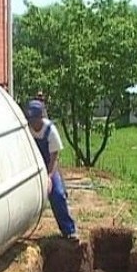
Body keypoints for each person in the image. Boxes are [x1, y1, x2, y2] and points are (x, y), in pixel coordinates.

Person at [25, 100, 78, 240]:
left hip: (49, 166)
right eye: (30, 119)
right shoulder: (26, 130)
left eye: (35, 119)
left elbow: (54, 158)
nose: (32, 122)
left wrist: (48, 177)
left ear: (41, 117)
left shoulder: (50, 131)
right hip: (33, 167)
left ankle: (69, 230)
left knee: (57, 194)